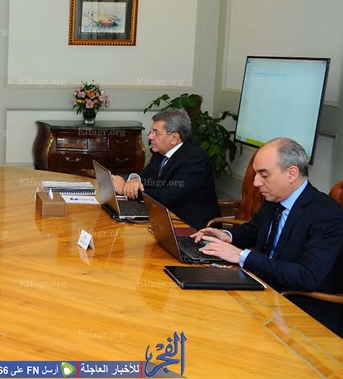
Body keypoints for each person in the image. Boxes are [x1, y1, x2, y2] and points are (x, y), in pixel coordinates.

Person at [193, 137, 343, 336]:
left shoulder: (327, 215)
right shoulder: (275, 198)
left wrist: (241, 256)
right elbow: (252, 231)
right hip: (263, 290)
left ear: (291, 173)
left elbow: (307, 277)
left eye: (264, 174)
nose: (256, 182)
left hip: (301, 309)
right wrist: (226, 235)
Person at [111, 109, 220, 229]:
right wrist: (134, 180)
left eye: (156, 133)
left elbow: (167, 197)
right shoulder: (160, 151)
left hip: (190, 227)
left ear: (174, 138)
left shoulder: (195, 159)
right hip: (163, 217)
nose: (150, 136)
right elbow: (145, 177)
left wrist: (125, 189)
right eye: (151, 131)